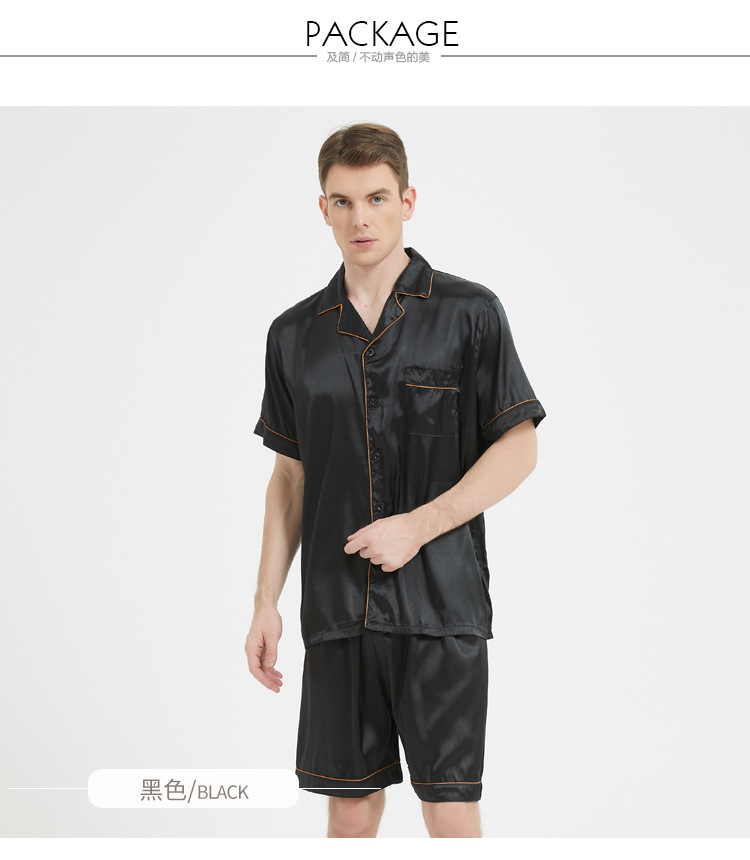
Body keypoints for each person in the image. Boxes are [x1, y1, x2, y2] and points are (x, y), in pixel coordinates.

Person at [245, 122, 546, 838]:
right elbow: (289, 478)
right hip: (337, 607)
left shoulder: (469, 313)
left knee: (449, 804)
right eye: (343, 201)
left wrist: (418, 526)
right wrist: (264, 603)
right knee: (350, 809)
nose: (361, 218)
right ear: (323, 208)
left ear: (407, 201)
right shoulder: (294, 335)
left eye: (377, 198)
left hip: (442, 606)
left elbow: (519, 446)